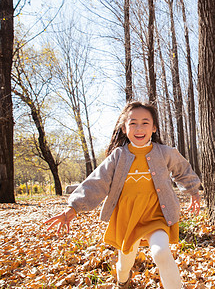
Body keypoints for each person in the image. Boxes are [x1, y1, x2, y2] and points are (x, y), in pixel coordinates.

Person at [45, 101, 201, 288]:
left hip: (156, 215)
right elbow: (97, 182)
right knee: (125, 263)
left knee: (161, 252)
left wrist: (193, 191)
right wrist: (72, 209)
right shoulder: (118, 156)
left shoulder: (165, 153)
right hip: (127, 219)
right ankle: (123, 280)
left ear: (154, 128)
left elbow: (183, 170)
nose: (139, 127)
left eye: (145, 122)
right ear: (124, 128)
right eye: (133, 123)